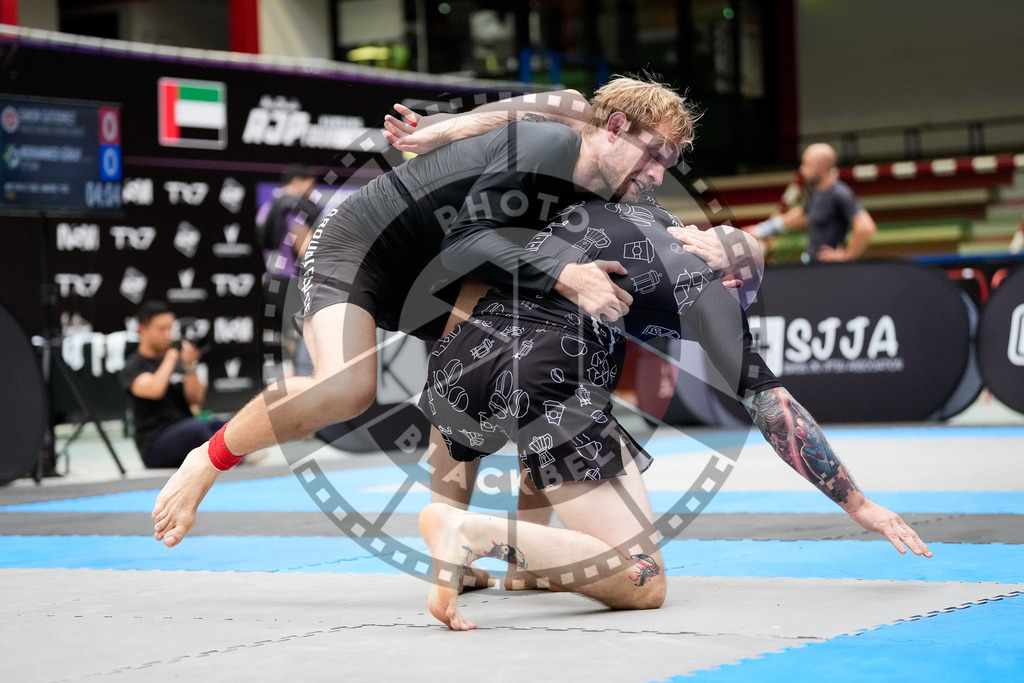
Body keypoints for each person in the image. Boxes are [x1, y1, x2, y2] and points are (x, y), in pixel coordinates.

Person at [152, 76, 705, 548]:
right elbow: (467, 238)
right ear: (612, 128)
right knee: (346, 387)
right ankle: (207, 458)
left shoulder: (609, 188)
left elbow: (655, 229)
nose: (659, 174)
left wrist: (721, 251)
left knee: (505, 369)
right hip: (365, 248)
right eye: (654, 155)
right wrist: (449, 130)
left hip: (446, 271)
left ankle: (464, 546)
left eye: (670, 163)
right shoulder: (550, 144)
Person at [418, 196, 932, 630]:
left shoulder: (634, 207)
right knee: (644, 580)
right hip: (546, 378)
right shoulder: (712, 291)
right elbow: (774, 408)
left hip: (460, 359)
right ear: (736, 280)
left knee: (549, 423)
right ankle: (473, 534)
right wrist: (857, 503)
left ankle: (526, 566)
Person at [120, 301, 226, 469]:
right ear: (142, 330)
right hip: (154, 442)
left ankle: (233, 459)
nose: (167, 334)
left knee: (222, 426)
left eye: (170, 328)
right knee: (196, 431)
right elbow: (155, 390)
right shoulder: (133, 366)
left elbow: (195, 399)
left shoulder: (178, 361)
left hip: (184, 427)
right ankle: (230, 460)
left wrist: (190, 366)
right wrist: (171, 356)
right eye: (161, 329)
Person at [746, 143, 876, 262]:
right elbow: (801, 215)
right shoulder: (815, 192)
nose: (802, 170)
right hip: (814, 266)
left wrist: (846, 256)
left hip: (831, 271)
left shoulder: (840, 193)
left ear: (822, 168)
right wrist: (761, 229)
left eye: (806, 165)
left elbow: (865, 227)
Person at [256, 163, 321, 377]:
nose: (311, 192)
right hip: (292, 284)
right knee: (303, 343)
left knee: (285, 345)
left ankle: (287, 394)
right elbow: (305, 247)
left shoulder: (267, 207)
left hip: (272, 282)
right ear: (298, 182)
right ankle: (302, 395)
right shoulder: (293, 206)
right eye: (310, 186)